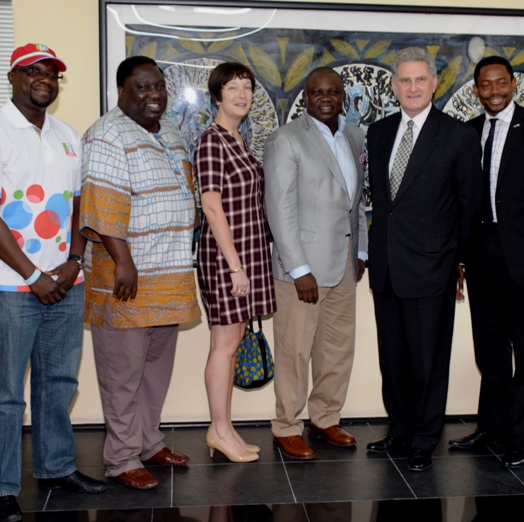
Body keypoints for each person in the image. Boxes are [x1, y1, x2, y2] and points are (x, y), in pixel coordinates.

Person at [0, 43, 106, 522]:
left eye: (52, 73)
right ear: (13, 77)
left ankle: (56, 468)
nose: (44, 78)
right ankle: (2, 488)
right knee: (6, 390)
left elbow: (79, 204)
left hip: (67, 282)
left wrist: (73, 260)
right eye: (33, 71)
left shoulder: (67, 135)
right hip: (11, 286)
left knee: (59, 381)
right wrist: (32, 275)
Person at [79, 56, 199, 490]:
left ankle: (150, 443)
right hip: (127, 279)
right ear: (121, 92)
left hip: (170, 276)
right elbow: (101, 202)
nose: (153, 96)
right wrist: (123, 261)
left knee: (154, 372)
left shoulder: (172, 133)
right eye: (142, 88)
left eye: (159, 87)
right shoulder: (107, 134)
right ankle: (122, 457)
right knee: (122, 375)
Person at [364, 47, 481, 472]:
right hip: (387, 267)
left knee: (429, 360)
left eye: (420, 80)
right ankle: (399, 430)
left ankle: (424, 437)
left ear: (434, 84)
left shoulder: (457, 135)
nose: (412, 87)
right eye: (404, 80)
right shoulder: (378, 133)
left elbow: (469, 205)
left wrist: (456, 262)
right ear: (394, 86)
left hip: (433, 267)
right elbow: (382, 204)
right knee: (392, 358)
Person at [450, 55, 524, 469]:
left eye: (501, 83)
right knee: (490, 351)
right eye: (486, 85)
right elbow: (462, 201)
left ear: (513, 84)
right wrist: (459, 260)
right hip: (480, 257)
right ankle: (491, 428)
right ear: (476, 89)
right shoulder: (467, 132)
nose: (494, 91)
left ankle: (520, 439)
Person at [263, 67, 367, 460]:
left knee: (338, 348)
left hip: (344, 264)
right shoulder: (286, 139)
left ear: (343, 96)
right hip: (302, 270)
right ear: (305, 97)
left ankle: (325, 418)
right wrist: (298, 268)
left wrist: (361, 252)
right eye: (316, 92)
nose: (325, 98)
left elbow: (355, 202)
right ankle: (286, 426)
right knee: (294, 350)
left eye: (333, 92)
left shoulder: (355, 136)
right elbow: (280, 209)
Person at [194, 62, 276, 463]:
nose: (241, 94)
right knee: (225, 345)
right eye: (232, 88)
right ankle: (219, 430)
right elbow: (211, 205)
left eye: (247, 87)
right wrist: (235, 267)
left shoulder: (237, 138)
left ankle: (224, 428)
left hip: (247, 253)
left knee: (232, 339)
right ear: (216, 95)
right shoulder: (211, 141)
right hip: (227, 258)